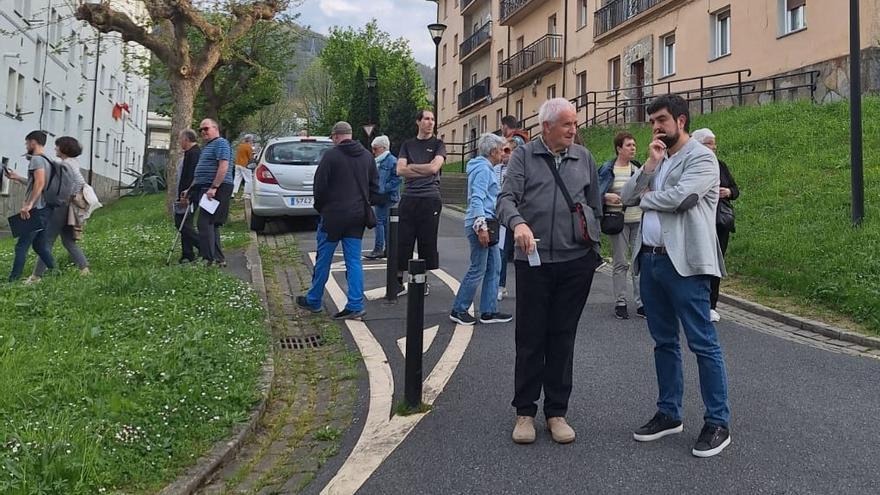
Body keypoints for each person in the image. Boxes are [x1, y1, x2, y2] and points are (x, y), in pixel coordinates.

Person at [621, 94, 731, 458]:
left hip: (684, 265)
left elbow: (683, 198)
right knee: (663, 342)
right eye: (652, 120)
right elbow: (625, 195)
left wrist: (647, 198)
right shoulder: (658, 159)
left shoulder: (702, 157)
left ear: (681, 121)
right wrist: (649, 168)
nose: (655, 126)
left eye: (662, 119)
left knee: (702, 343)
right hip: (651, 262)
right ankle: (670, 413)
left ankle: (718, 422)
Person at [497, 98, 603, 445]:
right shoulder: (524, 156)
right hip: (534, 260)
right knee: (530, 337)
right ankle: (525, 412)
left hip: (575, 262)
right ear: (547, 127)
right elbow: (505, 199)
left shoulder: (583, 157)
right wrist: (519, 224)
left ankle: (557, 411)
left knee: (562, 337)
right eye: (567, 124)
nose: (574, 130)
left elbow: (595, 204)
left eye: (575, 124)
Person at [296, 121, 378, 320]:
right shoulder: (367, 156)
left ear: (335, 136)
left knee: (324, 259)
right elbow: (375, 188)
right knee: (353, 261)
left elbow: (320, 187)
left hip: (332, 216)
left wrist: (322, 208)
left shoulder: (331, 156)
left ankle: (314, 300)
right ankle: (355, 304)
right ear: (350, 135)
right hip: (357, 216)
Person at [449, 133, 513, 326]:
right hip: (482, 224)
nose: (503, 154)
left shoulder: (483, 168)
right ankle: (459, 309)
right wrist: (481, 226)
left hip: (487, 223)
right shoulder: (484, 170)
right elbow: (477, 198)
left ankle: (489, 311)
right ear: (493, 151)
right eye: (502, 150)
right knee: (478, 268)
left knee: (494, 267)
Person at [395, 110, 446, 296]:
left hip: (430, 197)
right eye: (426, 119)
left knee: (427, 241)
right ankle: (398, 281)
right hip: (409, 197)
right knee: (403, 240)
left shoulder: (438, 144)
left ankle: (422, 281)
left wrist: (412, 167)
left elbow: (435, 168)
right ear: (418, 122)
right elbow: (400, 170)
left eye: (432, 119)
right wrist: (424, 169)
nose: (430, 122)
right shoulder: (408, 145)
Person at [692, 128, 739, 323]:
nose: (714, 147)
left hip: (719, 221)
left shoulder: (720, 165)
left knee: (715, 264)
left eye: (714, 143)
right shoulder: (693, 166)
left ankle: (711, 305)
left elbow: (736, 190)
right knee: (698, 264)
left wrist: (727, 192)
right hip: (699, 220)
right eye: (710, 143)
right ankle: (694, 301)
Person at [28, 136, 89, 282]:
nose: (55, 148)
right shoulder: (72, 164)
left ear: (64, 148)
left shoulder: (64, 165)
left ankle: (36, 277)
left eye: (57, 146)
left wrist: (66, 196)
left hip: (60, 207)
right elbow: (80, 182)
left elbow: (76, 182)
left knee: (46, 241)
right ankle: (84, 269)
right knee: (68, 241)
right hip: (67, 207)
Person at [597, 131, 644, 319]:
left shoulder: (638, 168)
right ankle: (621, 301)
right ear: (619, 148)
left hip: (638, 219)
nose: (633, 148)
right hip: (618, 221)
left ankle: (641, 303)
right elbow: (594, 193)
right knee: (620, 262)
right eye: (629, 145)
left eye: (634, 145)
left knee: (638, 263)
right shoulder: (608, 169)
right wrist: (606, 196)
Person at [5, 130, 56, 281]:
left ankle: (12, 281)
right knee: (39, 245)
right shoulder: (49, 161)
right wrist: (16, 177)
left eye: (27, 143)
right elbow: (36, 183)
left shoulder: (37, 160)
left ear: (33, 142)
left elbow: (39, 183)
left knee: (21, 246)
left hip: (35, 210)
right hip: (45, 209)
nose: (26, 146)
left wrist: (29, 204)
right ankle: (56, 272)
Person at [193, 118, 234, 266]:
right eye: (201, 130)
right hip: (207, 187)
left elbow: (223, 165)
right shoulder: (208, 146)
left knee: (204, 222)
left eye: (206, 129)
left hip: (218, 187)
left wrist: (214, 187)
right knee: (212, 224)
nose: (203, 132)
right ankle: (218, 258)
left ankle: (208, 259)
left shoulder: (221, 143)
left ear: (215, 128)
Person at [364, 135, 400, 260]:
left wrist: (384, 188)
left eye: (375, 148)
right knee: (384, 223)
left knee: (381, 222)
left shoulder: (391, 161)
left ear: (383, 148)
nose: (373, 151)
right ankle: (387, 249)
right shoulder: (378, 161)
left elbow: (398, 179)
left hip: (388, 197)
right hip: (380, 196)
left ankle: (380, 249)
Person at [175, 129, 201, 263]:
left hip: (189, 194)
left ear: (186, 139)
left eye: (181, 139)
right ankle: (187, 253)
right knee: (183, 222)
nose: (180, 142)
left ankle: (203, 246)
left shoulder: (195, 154)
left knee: (182, 223)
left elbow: (193, 176)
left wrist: (188, 194)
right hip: (184, 194)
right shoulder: (189, 153)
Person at [496, 138, 516, 301]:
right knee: (501, 252)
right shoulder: (496, 169)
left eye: (508, 150)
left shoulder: (520, 169)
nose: (504, 154)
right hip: (502, 216)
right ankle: (500, 286)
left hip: (519, 215)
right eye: (502, 150)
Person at [232, 134, 254, 199]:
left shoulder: (240, 146)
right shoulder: (248, 147)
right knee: (248, 180)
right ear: (250, 140)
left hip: (237, 164)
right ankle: (246, 194)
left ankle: (232, 193)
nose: (252, 141)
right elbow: (250, 157)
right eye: (252, 140)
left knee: (237, 179)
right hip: (245, 165)